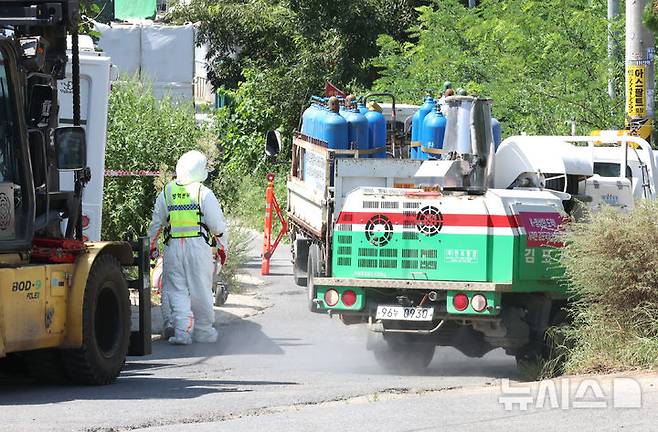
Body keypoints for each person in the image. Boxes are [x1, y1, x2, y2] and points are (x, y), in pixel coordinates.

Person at [148, 150, 228, 345]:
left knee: (176, 291)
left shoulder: (167, 191)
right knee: (201, 290)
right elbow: (217, 226)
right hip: (198, 247)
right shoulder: (203, 192)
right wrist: (222, 247)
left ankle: (182, 332)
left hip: (173, 247)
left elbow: (156, 224)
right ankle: (203, 331)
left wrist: (150, 246)